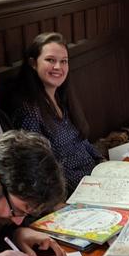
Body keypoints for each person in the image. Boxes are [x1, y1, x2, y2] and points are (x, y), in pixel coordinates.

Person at [11, 32, 103, 191]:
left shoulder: (62, 98)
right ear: (33, 63)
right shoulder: (29, 112)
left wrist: (102, 162)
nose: (58, 67)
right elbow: (42, 169)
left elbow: (81, 141)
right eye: (50, 60)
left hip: (95, 178)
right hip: (72, 190)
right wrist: (93, 183)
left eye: (63, 61)